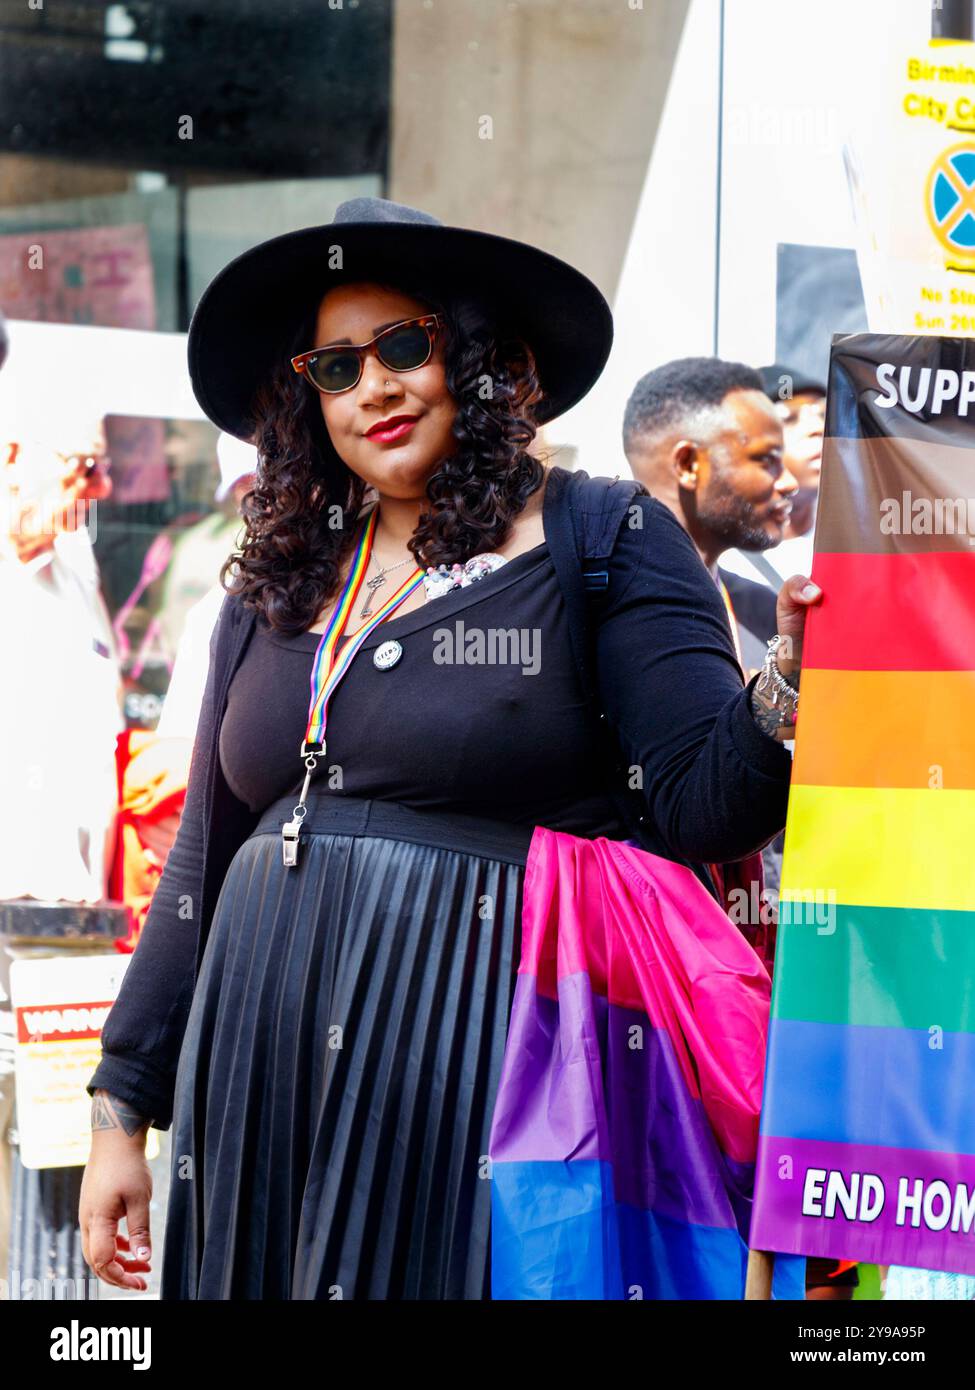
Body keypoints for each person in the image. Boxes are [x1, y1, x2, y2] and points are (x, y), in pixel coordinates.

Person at [79, 197, 821, 1301]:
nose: (372, 386)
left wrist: (792, 684)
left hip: (474, 1059)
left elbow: (704, 806)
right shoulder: (273, 581)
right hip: (254, 1056)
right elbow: (204, 852)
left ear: (478, 364)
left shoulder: (602, 534)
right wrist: (122, 1107)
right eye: (334, 366)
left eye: (405, 346)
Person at [621, 356, 798, 680]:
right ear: (689, 465)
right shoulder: (592, 603)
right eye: (766, 460)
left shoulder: (767, 614)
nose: (789, 483)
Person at [720, 364, 826, 593]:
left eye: (824, 415)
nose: (817, 428)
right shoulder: (724, 565)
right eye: (789, 418)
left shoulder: (860, 541)